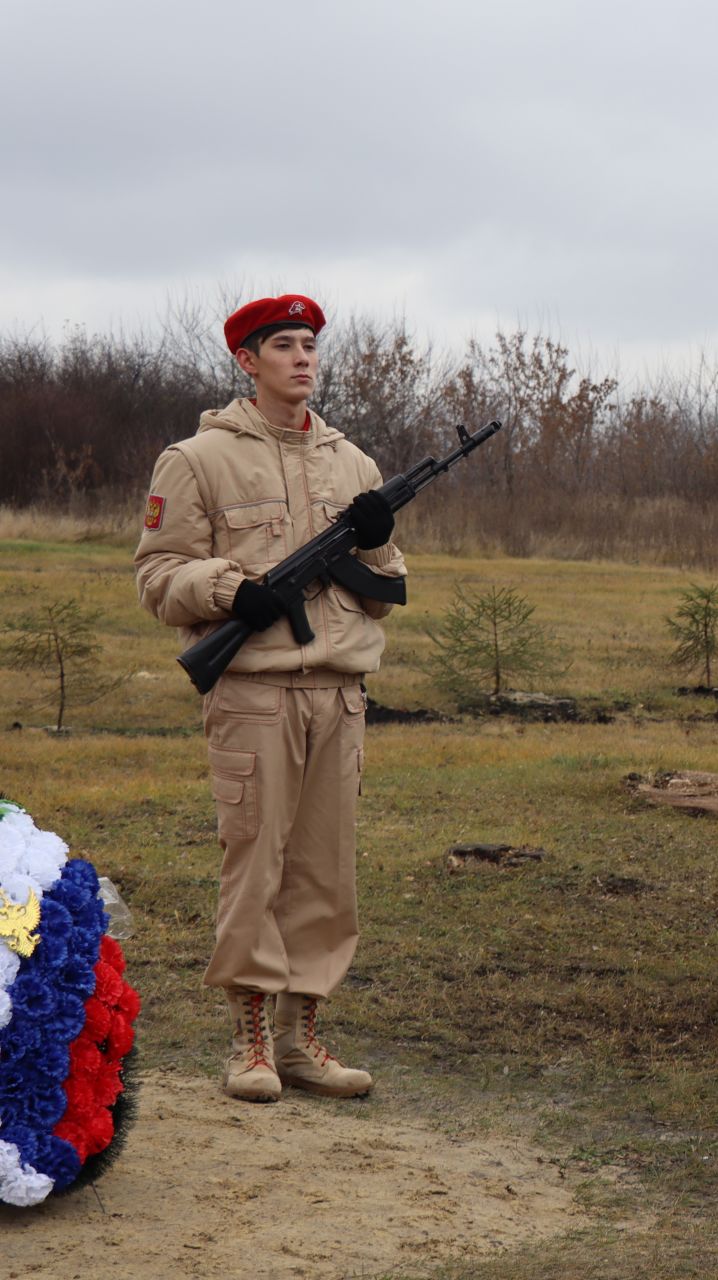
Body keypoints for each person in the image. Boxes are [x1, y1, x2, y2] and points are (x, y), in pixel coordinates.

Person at [135, 295, 403, 1103]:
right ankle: (249, 1040)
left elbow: (387, 591)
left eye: (310, 345)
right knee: (258, 863)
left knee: (327, 871)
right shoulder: (196, 459)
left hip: (340, 693)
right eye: (283, 345)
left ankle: (302, 1038)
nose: (302, 358)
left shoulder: (353, 463)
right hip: (255, 694)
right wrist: (225, 589)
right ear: (247, 362)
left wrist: (378, 530)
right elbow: (155, 576)